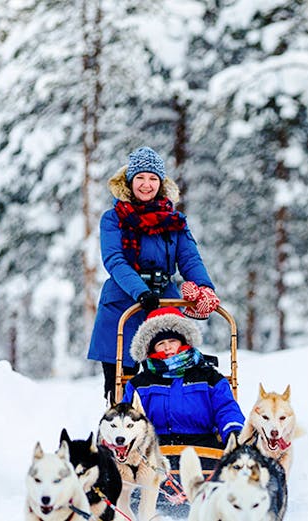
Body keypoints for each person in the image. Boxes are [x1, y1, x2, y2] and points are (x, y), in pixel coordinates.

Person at [87, 146, 219, 399]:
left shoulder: (174, 220)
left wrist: (204, 288)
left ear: (161, 183)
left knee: (166, 376)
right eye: (140, 178)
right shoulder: (113, 218)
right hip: (122, 303)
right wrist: (141, 291)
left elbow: (189, 258)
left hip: (164, 303)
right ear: (129, 181)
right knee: (120, 386)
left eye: (152, 179)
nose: (146, 184)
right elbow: (114, 259)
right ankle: (121, 431)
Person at [122, 307, 244, 448]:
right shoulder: (140, 384)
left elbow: (226, 408)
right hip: (154, 450)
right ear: (151, 348)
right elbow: (126, 418)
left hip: (203, 447)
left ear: (183, 341)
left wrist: (234, 433)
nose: (167, 348)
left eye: (172, 341)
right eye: (161, 344)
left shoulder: (209, 377)